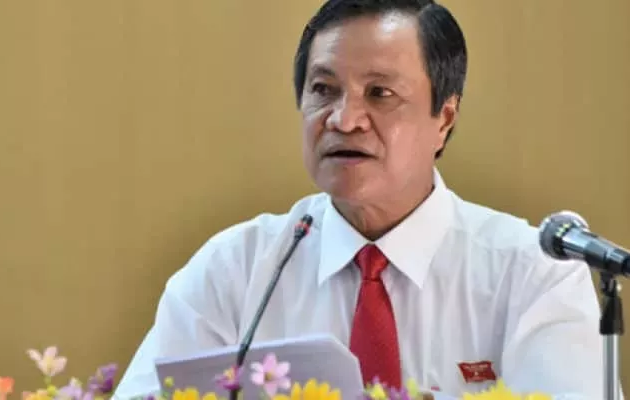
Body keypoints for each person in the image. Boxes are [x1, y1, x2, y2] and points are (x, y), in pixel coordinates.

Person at [114, 0, 604, 398]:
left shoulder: (532, 274)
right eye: (323, 89)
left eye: (380, 93)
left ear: (444, 118)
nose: (344, 119)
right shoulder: (235, 271)